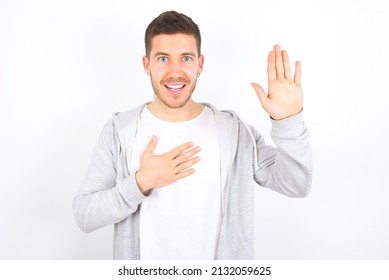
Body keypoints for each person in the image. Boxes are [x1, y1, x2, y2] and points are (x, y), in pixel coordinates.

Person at [73, 10, 312, 260]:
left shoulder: (235, 132)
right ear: (147, 65)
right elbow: (84, 215)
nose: (175, 72)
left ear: (200, 64)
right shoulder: (119, 132)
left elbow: (296, 184)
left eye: (186, 58)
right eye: (163, 58)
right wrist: (139, 182)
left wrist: (288, 121)